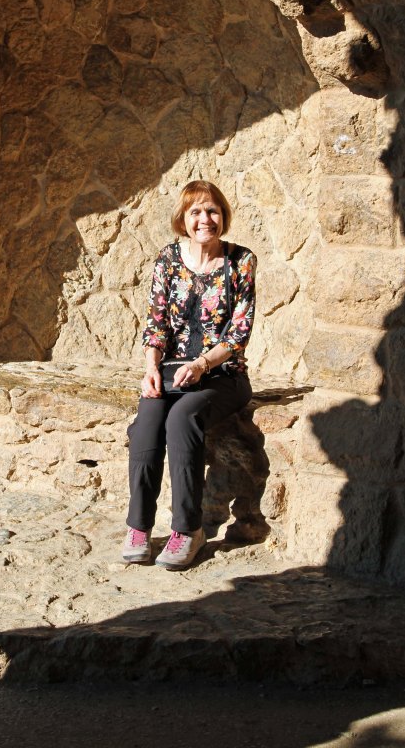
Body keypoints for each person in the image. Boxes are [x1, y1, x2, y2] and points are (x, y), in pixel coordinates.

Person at [123, 179, 257, 570]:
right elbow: (157, 323)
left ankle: (188, 529)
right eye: (196, 211)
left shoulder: (241, 261)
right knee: (146, 425)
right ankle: (139, 527)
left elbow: (238, 335)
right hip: (169, 373)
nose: (205, 219)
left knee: (183, 419)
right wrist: (150, 369)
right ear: (183, 219)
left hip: (223, 377)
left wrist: (201, 365)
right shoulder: (167, 259)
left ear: (223, 216)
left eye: (212, 210)